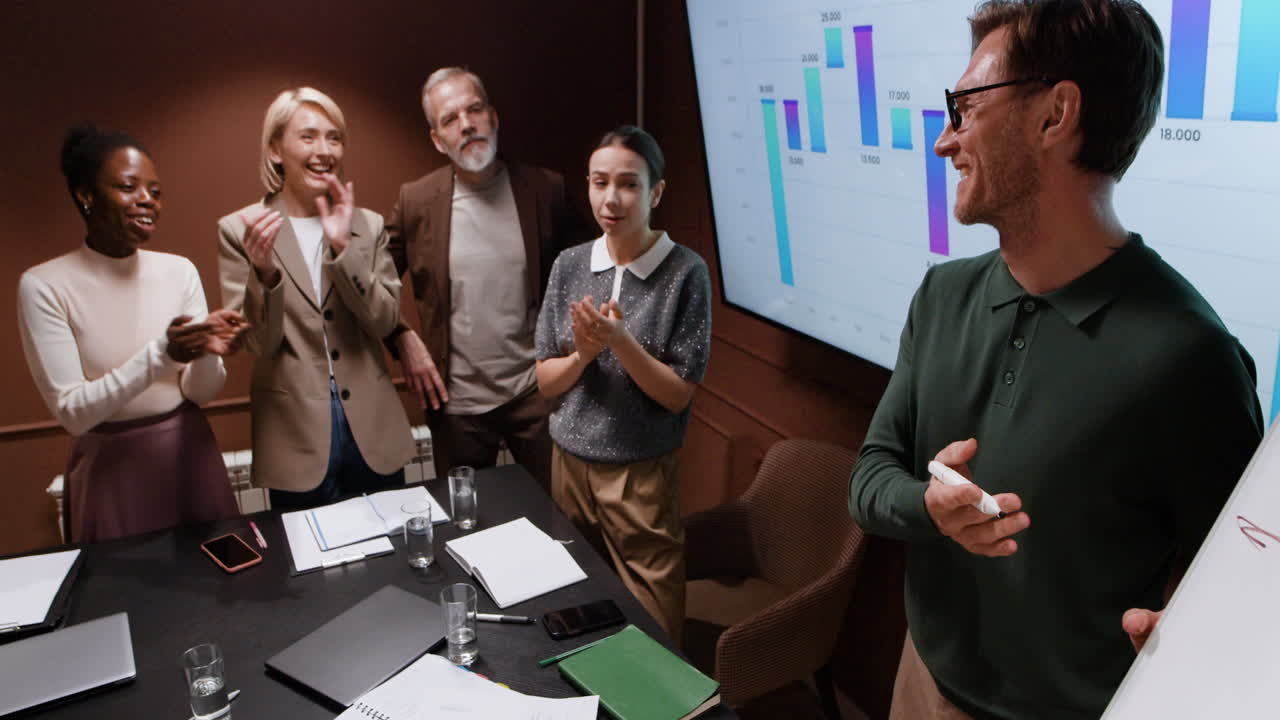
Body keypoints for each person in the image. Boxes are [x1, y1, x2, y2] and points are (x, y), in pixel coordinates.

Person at [847, 2, 1264, 718]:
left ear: (1054, 115)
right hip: (921, 681)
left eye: (966, 108)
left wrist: (1197, 646)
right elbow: (869, 477)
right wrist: (928, 507)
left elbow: (1241, 595)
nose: (946, 140)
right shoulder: (942, 295)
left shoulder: (1190, 357)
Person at [19, 124, 247, 542]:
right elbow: (74, 413)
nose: (147, 200)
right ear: (86, 194)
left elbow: (201, 394)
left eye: (155, 191)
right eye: (128, 187)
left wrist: (207, 355)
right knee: (124, 600)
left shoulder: (179, 271)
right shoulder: (44, 286)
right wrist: (164, 353)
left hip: (188, 455)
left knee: (218, 594)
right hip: (112, 472)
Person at [535, 125, 711, 642]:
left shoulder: (685, 272)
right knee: (575, 599)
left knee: (653, 615)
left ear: (656, 191)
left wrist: (618, 341)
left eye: (629, 184)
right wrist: (584, 354)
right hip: (568, 464)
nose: (610, 198)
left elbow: (678, 392)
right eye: (598, 182)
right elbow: (547, 381)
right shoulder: (570, 264)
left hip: (638, 473)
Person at [385, 67, 588, 491]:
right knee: (465, 527)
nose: (467, 124)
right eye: (450, 119)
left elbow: (592, 270)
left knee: (557, 522)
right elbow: (371, 283)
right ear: (438, 140)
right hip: (455, 407)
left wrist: (575, 352)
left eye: (474, 109)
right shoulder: (416, 202)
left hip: (537, 396)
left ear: (493, 117)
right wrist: (400, 335)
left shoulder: (545, 189)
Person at [218, 87, 414, 510]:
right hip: (293, 435)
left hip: (373, 428)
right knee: (312, 570)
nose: (324, 150)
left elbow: (384, 322)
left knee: (392, 561)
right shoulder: (241, 229)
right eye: (307, 137)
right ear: (275, 148)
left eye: (334, 137)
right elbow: (257, 344)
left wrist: (345, 250)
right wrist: (266, 274)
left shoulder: (369, 224)